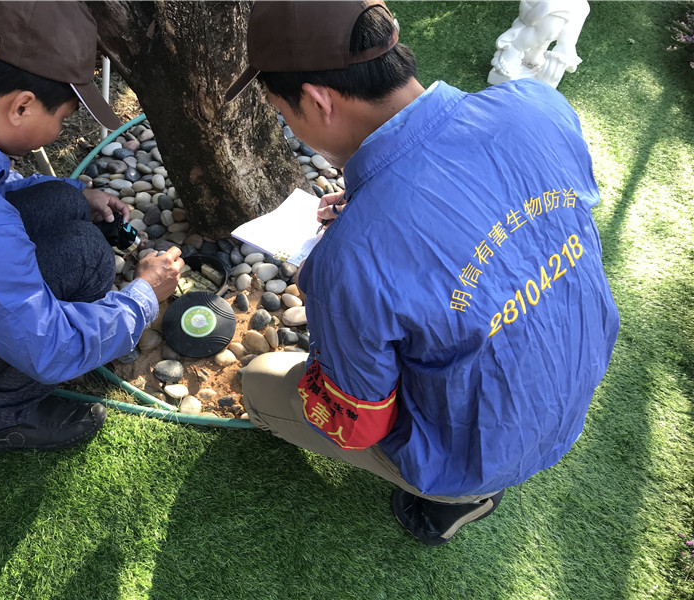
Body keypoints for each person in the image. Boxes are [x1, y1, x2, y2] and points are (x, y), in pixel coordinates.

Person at [227, 1, 620, 546]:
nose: (285, 125)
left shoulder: (349, 259)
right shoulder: (538, 106)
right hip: (579, 378)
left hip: (480, 453)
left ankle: (458, 497)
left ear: (317, 100)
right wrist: (375, 206)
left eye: (280, 112)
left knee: (261, 380)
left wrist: (343, 280)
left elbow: (358, 422)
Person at [0, 1, 183, 452]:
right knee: (84, 256)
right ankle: (5, 419)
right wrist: (145, 296)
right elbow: (49, 346)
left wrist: (72, 193)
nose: (60, 127)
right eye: (64, 118)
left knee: (60, 200)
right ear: (22, 106)